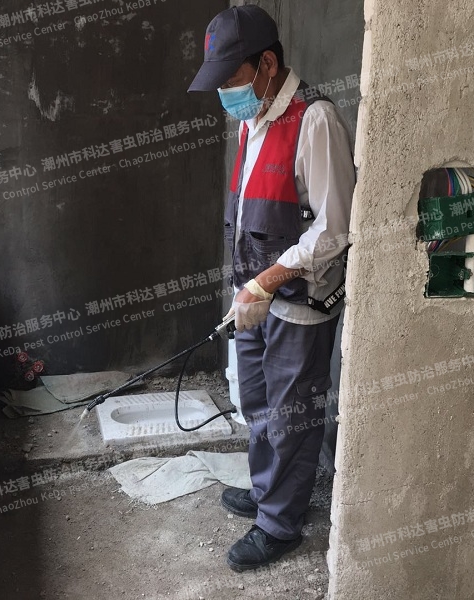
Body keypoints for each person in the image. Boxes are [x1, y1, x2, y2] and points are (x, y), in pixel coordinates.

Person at [188, 5, 355, 572]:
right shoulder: (253, 118)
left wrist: (266, 281)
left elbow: (332, 229)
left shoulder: (315, 121)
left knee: (291, 415)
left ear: (266, 64)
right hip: (256, 297)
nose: (225, 94)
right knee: (257, 402)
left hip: (298, 301)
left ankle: (280, 524)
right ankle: (267, 492)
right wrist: (249, 287)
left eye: (230, 79)